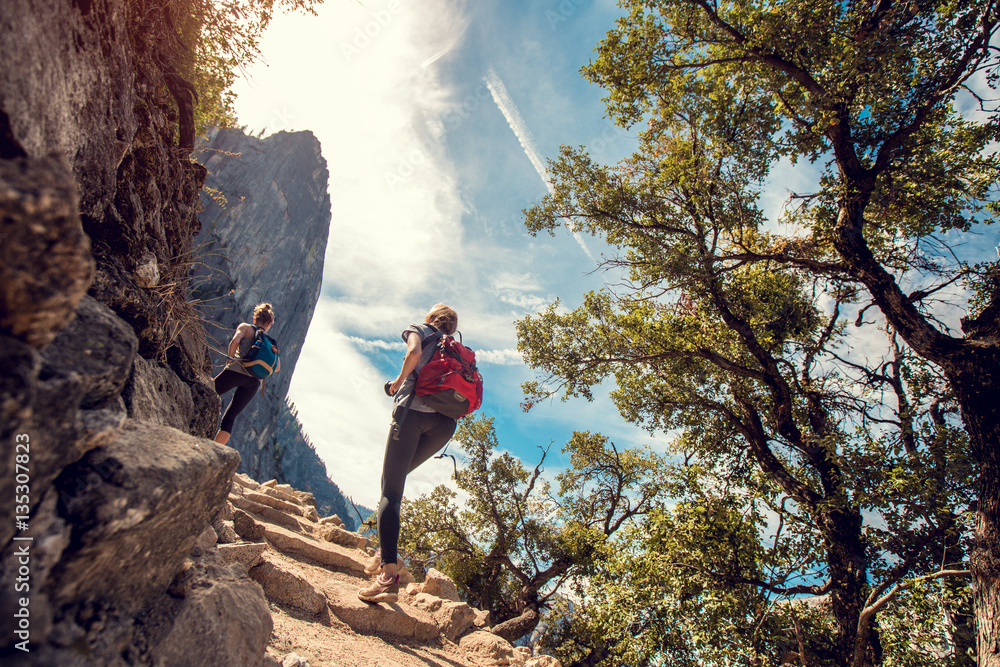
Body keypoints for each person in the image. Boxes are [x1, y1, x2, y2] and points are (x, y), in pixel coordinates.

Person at [358, 303, 460, 603]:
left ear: (431, 319)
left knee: (391, 490)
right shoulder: (453, 347)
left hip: (413, 414)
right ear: (451, 327)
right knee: (396, 482)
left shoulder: (420, 330)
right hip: (444, 425)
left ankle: (388, 577)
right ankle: (383, 553)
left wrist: (398, 383)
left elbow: (414, 353)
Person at [213, 303, 280, 445]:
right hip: (253, 383)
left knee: (207, 391)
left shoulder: (245, 328)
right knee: (230, 418)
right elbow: (277, 368)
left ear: (255, 319)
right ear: (269, 323)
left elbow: (234, 342)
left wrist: (230, 360)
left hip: (236, 371)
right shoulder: (270, 343)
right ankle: (214, 449)